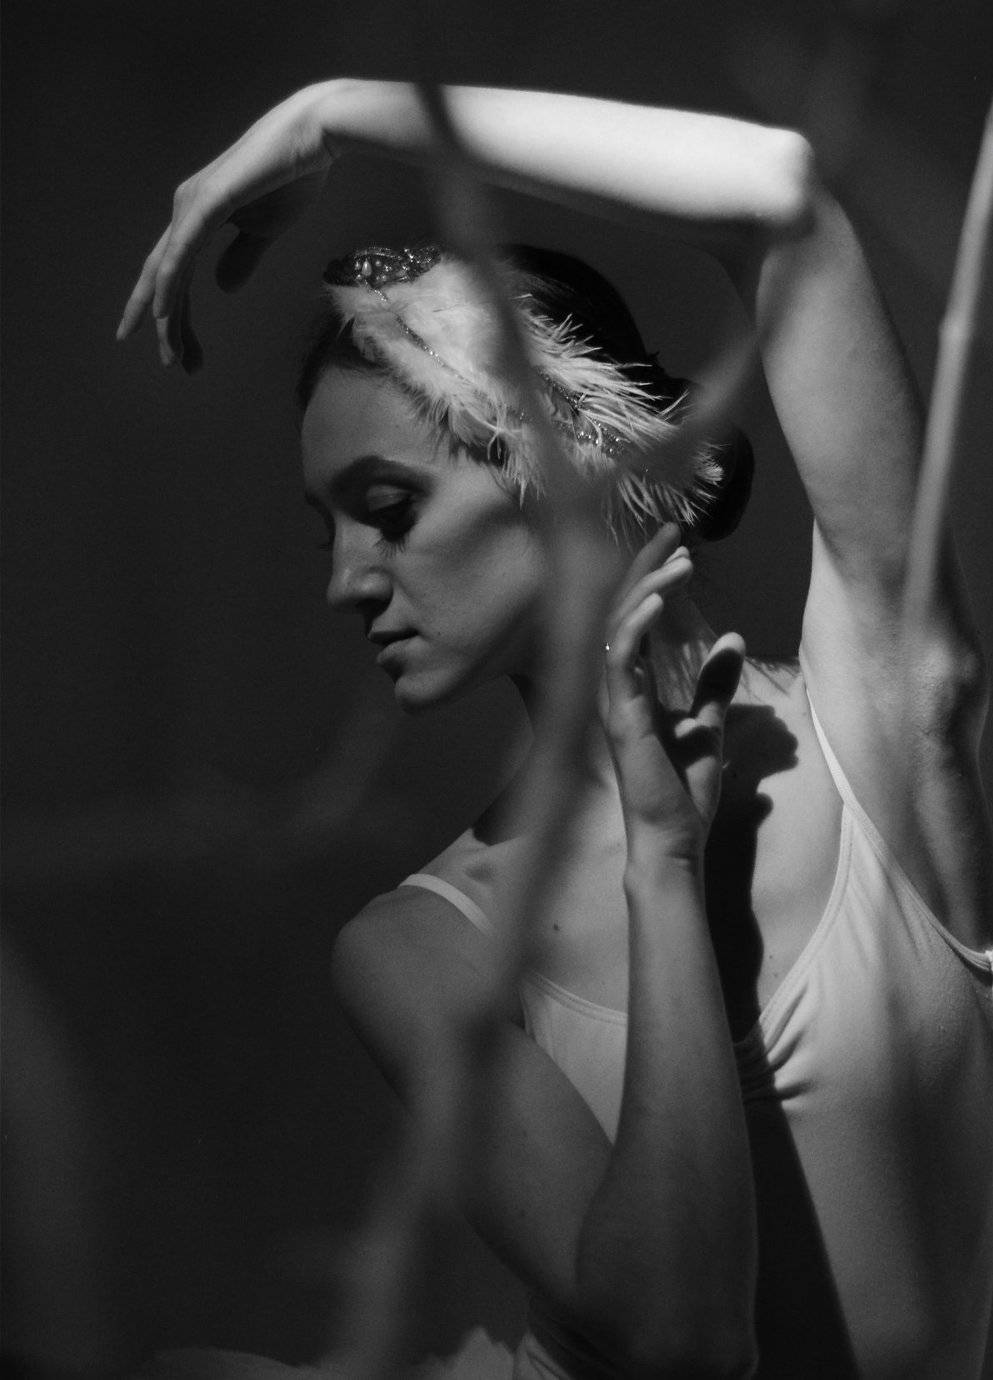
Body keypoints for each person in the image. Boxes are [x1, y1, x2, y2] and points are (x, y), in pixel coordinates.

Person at [120, 81, 993, 1379]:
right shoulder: (419, 945)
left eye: (387, 508)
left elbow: (780, 201)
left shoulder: (876, 724)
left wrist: (343, 112)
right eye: (328, 531)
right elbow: (675, 1341)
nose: (345, 580)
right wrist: (659, 861)